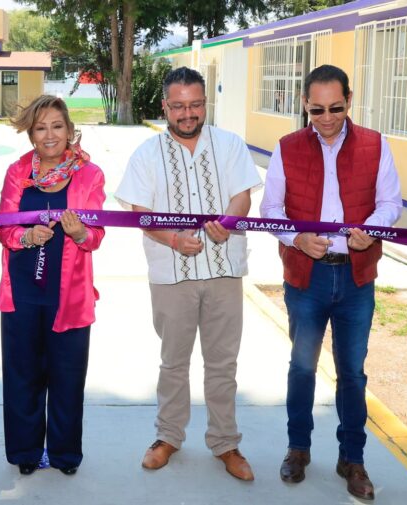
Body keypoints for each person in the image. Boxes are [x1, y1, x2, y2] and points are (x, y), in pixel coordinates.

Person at [260, 64, 402, 501]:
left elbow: (390, 203)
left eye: (335, 108)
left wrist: (372, 230)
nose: (325, 117)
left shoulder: (376, 145)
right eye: (317, 109)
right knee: (302, 368)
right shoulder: (286, 147)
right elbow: (271, 210)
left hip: (357, 278)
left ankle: (352, 458)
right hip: (307, 277)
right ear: (304, 103)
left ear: (350, 100)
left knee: (352, 375)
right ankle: (298, 449)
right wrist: (297, 238)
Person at [115, 67, 260, 481]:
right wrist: (174, 240)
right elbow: (139, 213)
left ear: (204, 103)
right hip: (170, 273)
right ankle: (168, 437)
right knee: (173, 362)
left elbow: (242, 196)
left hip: (224, 268)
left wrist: (228, 224)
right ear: (164, 105)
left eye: (195, 104)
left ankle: (226, 443)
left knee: (222, 363)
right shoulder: (146, 153)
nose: (187, 113)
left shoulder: (229, 144)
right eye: (178, 106)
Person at [0, 95, 105, 476]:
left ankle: (64, 455)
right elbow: (3, 226)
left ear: (70, 130)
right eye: (40, 127)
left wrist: (80, 233)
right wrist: (25, 238)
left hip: (70, 296)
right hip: (22, 293)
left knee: (67, 378)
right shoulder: (16, 171)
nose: (49, 135)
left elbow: (97, 237)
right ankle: (26, 453)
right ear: (30, 134)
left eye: (57, 126)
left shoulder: (90, 175)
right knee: (22, 376)